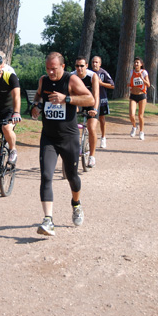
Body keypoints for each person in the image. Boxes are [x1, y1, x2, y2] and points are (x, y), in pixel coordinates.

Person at [31, 52, 94, 236]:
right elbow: (38, 97)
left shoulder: (71, 80)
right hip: (48, 137)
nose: (50, 72)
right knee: (46, 176)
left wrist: (66, 98)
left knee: (72, 176)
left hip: (69, 138)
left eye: (54, 68)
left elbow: (89, 99)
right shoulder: (43, 80)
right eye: (48, 68)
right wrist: (36, 106)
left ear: (63, 66)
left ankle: (76, 204)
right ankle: (48, 220)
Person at [72, 56, 100, 167]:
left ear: (86, 66)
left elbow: (96, 95)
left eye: (82, 66)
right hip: (78, 103)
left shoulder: (92, 76)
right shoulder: (71, 76)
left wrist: (95, 109)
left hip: (91, 104)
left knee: (91, 127)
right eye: (77, 66)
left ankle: (92, 156)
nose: (79, 68)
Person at [91, 56, 115, 149]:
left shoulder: (103, 73)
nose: (94, 64)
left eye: (96, 62)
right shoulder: (89, 73)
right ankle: (89, 139)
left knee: (101, 119)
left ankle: (103, 137)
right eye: (93, 62)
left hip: (102, 99)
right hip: (91, 100)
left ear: (100, 64)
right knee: (90, 120)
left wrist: (101, 84)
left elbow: (112, 85)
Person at [128, 57, 151, 140]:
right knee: (131, 115)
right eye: (135, 62)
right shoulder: (131, 72)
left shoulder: (144, 72)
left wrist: (142, 79)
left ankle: (141, 132)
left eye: (138, 62)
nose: (136, 64)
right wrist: (129, 85)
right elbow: (129, 83)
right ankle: (134, 127)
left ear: (141, 64)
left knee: (140, 116)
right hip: (133, 95)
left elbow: (148, 84)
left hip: (142, 96)